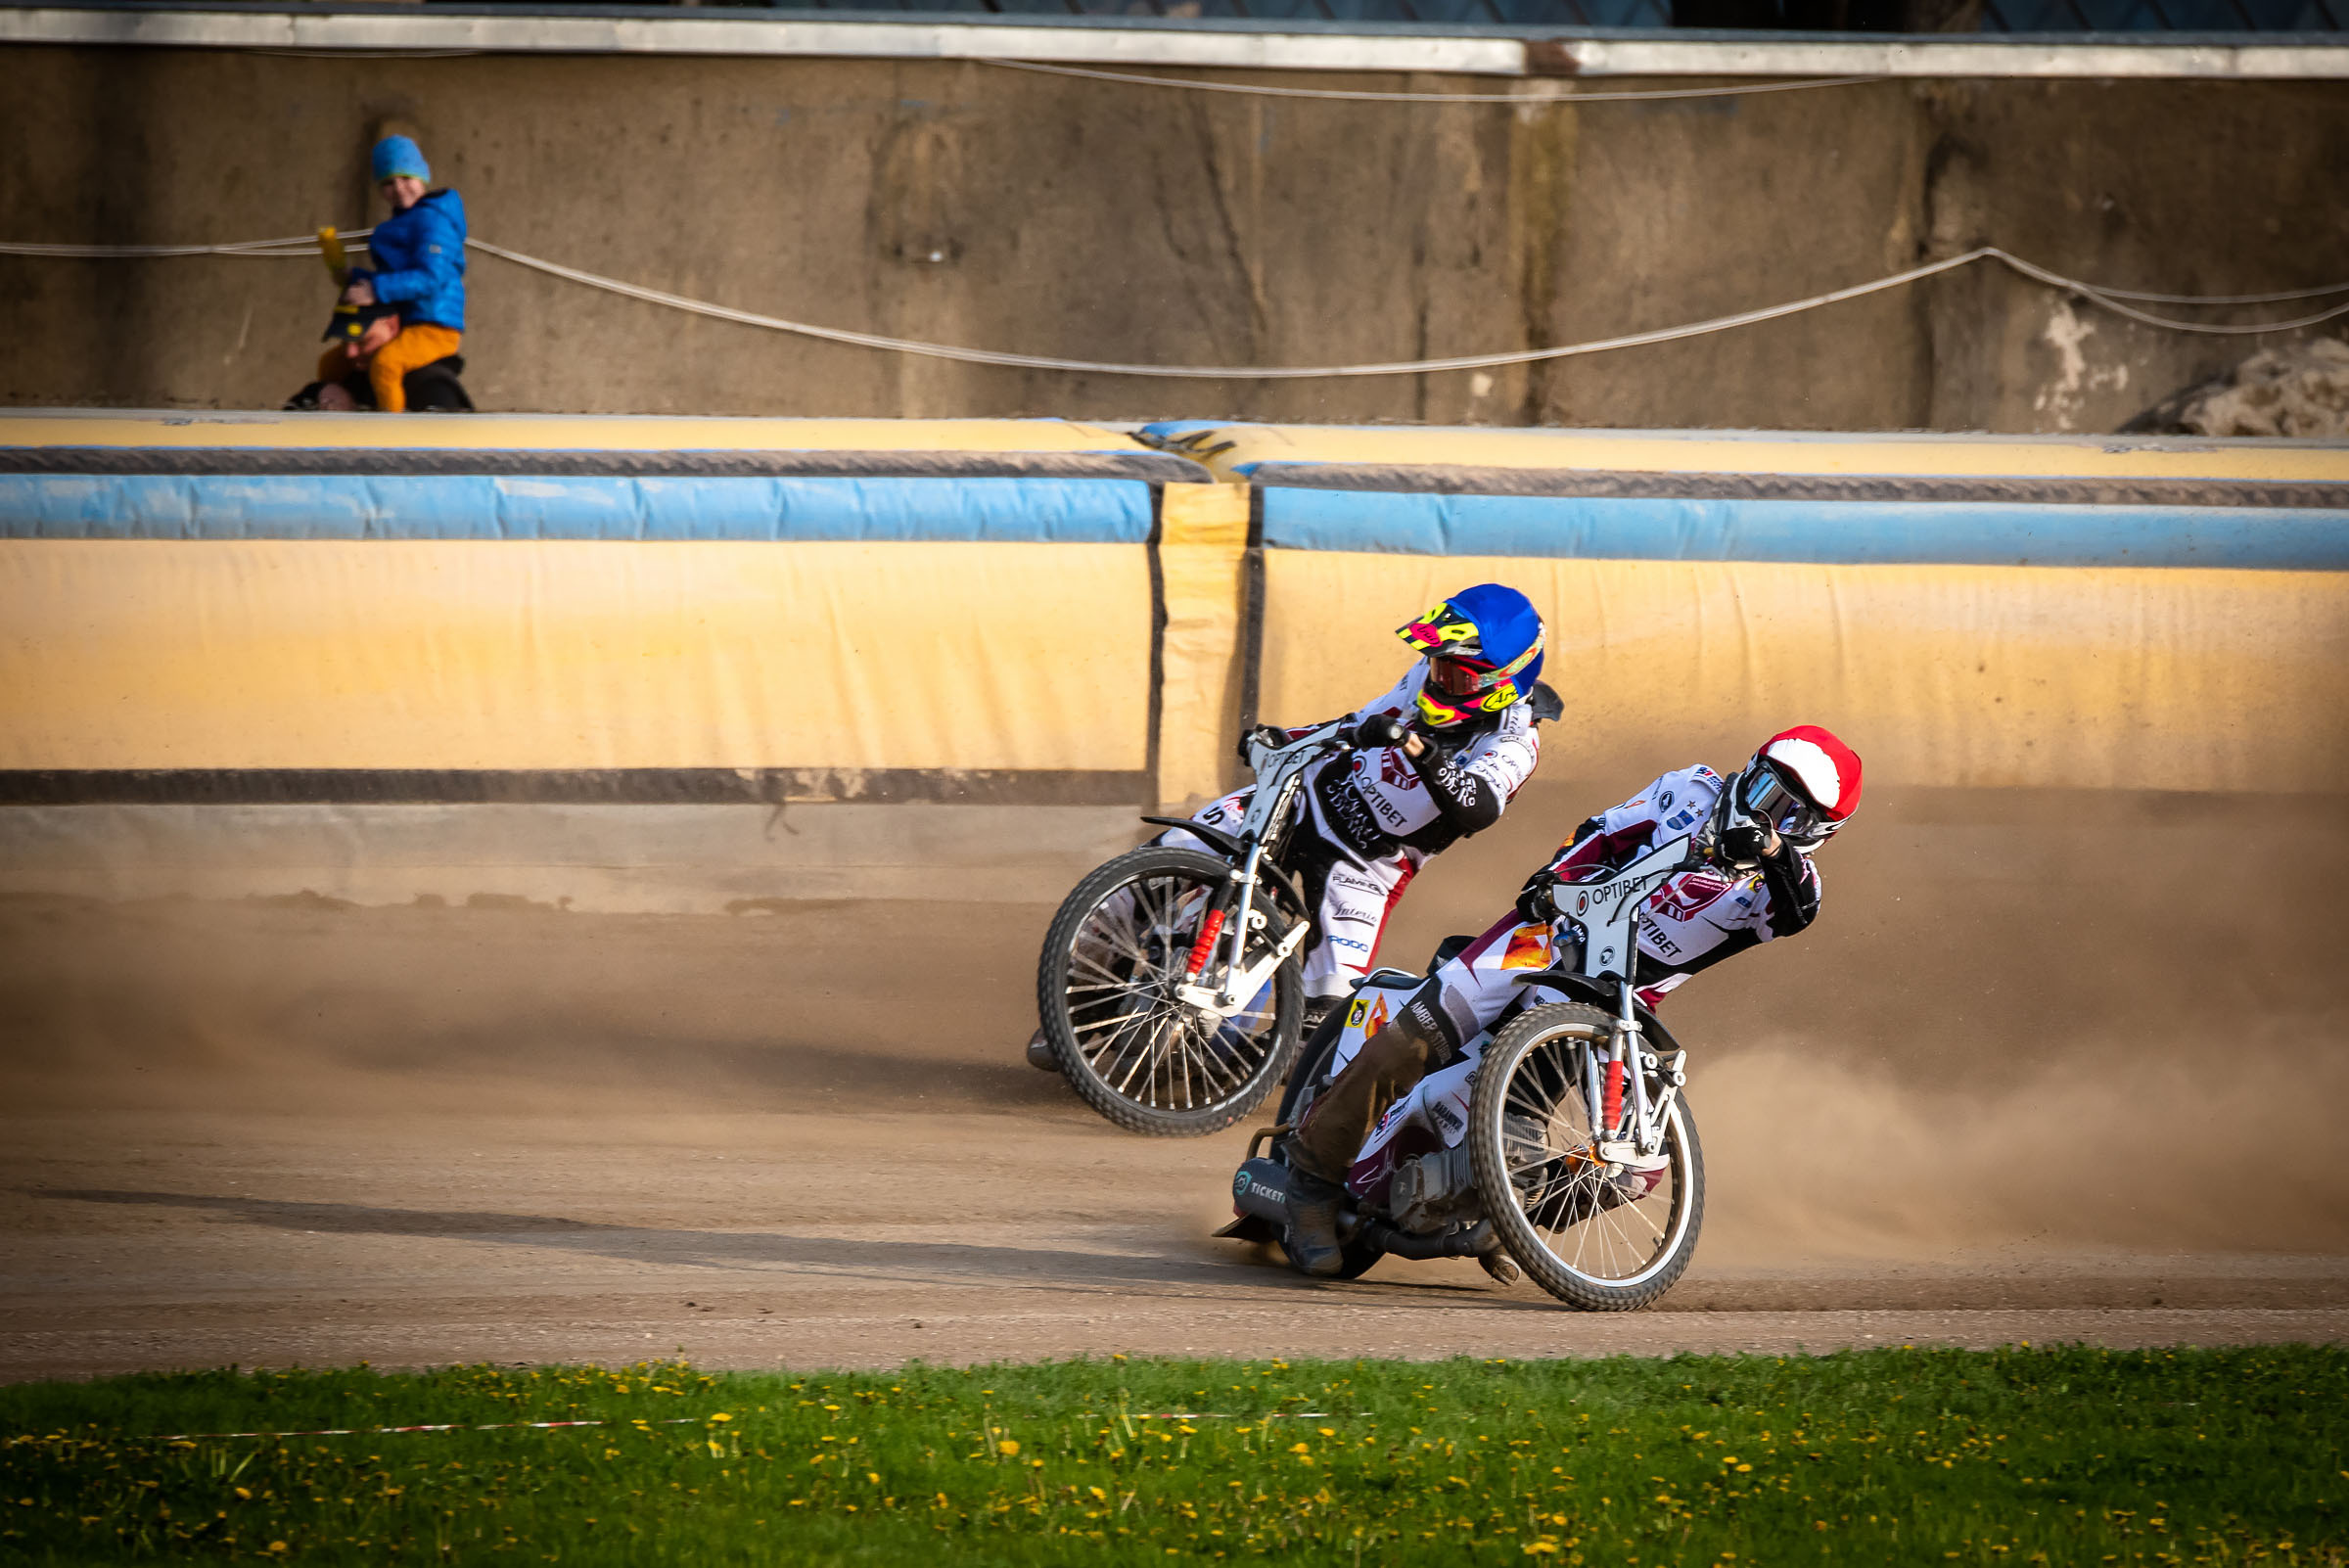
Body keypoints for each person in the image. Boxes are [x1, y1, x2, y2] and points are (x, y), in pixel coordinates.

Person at [1280, 724, 1864, 1275]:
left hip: (1618, 1002)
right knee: (1406, 1045)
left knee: (1641, 1166)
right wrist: (1551, 881)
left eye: (1789, 812)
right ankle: (1312, 1186)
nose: (1766, 810)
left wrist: (1768, 848)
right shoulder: (1691, 788)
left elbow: (1797, 912)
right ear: (1749, 769)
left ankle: (1513, 1220)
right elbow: (1603, 832)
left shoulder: (1791, 883)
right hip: (1544, 935)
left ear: (1816, 833)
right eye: (1765, 789)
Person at [1029, 583, 1556, 1072]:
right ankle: (1079, 1011)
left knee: (1325, 1032)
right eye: (1437, 664)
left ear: (1504, 678)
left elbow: (1479, 807)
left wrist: (1419, 750)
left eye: (1456, 674)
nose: (1438, 677)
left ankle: (1230, 1069)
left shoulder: (1514, 741)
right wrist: (1284, 738)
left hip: (1366, 867)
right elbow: (1353, 724)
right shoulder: (1425, 678)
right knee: (1152, 870)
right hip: (1301, 797)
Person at [312, 135, 467, 413]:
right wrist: (354, 276)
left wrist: (375, 291)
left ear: (422, 177)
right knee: (330, 364)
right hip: (402, 322)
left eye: (406, 178)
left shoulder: (435, 221)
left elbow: (430, 278)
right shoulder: (403, 223)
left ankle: (390, 435)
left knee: (386, 364)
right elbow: (394, 275)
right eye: (388, 183)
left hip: (434, 327)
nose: (398, 189)